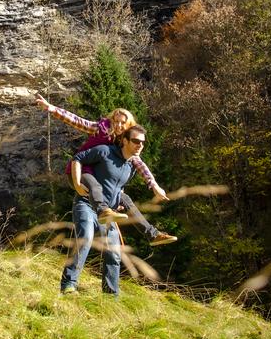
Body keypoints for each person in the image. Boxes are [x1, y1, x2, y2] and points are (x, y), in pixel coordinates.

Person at [35, 94, 177, 246]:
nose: (119, 125)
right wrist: (51, 108)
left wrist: (154, 185)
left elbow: (140, 164)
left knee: (125, 199)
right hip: (81, 169)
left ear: (129, 125)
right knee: (95, 185)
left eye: (123, 123)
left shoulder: (125, 143)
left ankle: (152, 235)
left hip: (97, 176)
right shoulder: (100, 129)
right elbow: (77, 121)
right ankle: (103, 211)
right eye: (116, 121)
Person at [60, 125, 148, 296]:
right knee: (85, 239)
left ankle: (110, 296)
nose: (140, 145)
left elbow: (118, 189)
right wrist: (77, 183)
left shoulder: (130, 167)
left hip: (108, 212)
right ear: (124, 140)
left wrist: (117, 204)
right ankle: (69, 285)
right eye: (136, 141)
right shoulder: (104, 151)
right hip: (86, 204)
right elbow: (77, 158)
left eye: (143, 143)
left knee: (113, 254)